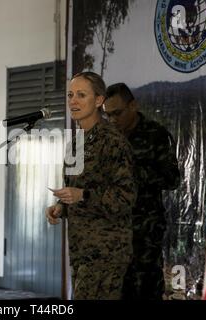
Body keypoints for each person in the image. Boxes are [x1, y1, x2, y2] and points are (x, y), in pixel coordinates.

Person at [45, 72, 137, 300]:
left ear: (98, 100)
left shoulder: (113, 141)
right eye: (70, 95)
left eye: (81, 95)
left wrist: (82, 196)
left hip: (106, 251)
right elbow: (75, 189)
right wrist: (61, 206)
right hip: (81, 249)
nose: (73, 101)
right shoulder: (75, 142)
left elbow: (126, 198)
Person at [103, 83, 180, 300]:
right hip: (114, 231)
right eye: (108, 115)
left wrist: (134, 172)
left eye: (117, 113)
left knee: (147, 290)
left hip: (145, 231)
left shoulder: (156, 135)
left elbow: (172, 179)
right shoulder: (108, 138)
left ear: (133, 106)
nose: (113, 120)